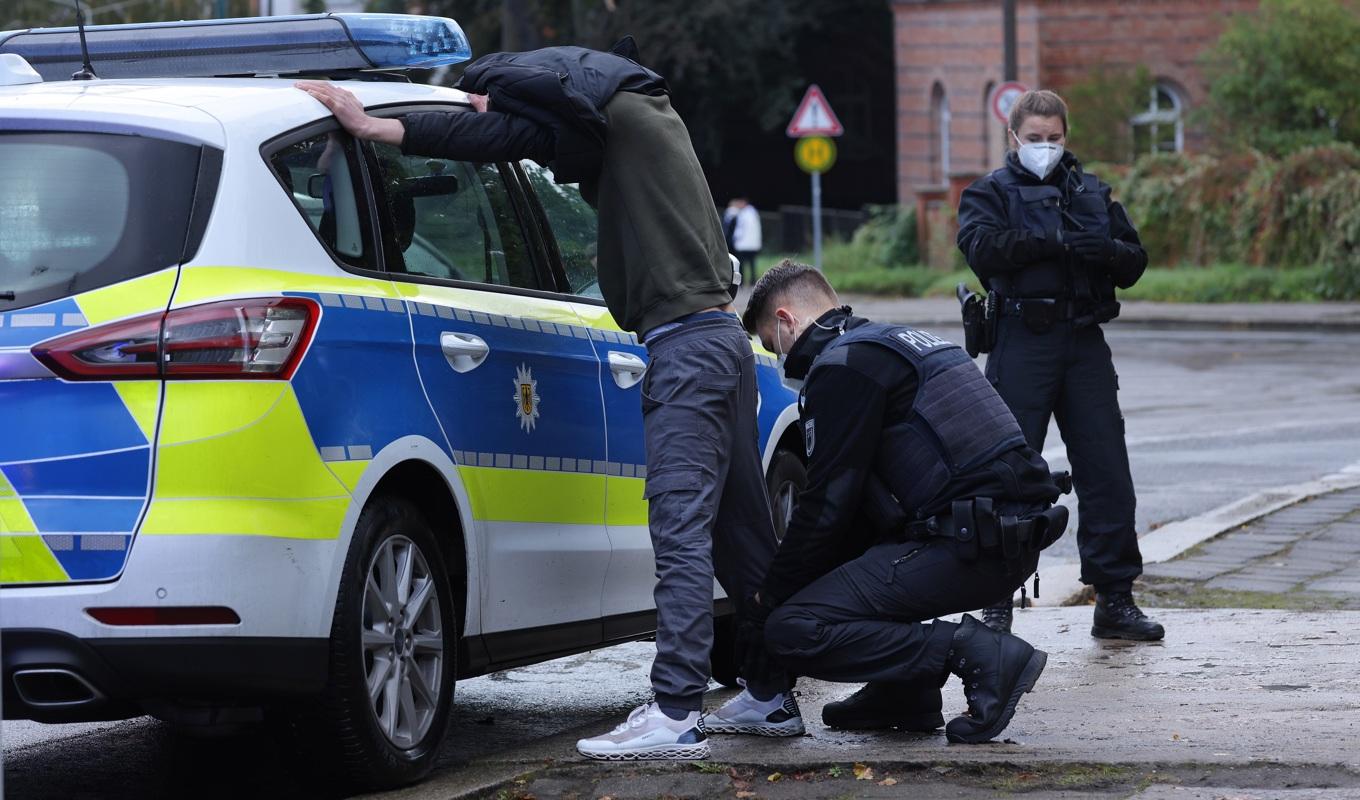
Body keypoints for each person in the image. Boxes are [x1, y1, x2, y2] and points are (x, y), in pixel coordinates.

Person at [296, 40, 798, 761]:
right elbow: (528, 131)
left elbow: (495, 138)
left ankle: (677, 710)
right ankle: (773, 692)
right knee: (742, 536)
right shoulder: (650, 115)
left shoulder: (611, 119)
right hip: (720, 344)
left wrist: (379, 127)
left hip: (685, 353)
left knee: (682, 530)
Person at [733, 261, 1068, 742]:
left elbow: (826, 505)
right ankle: (905, 692)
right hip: (998, 535)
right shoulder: (894, 342)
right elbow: (863, 507)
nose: (781, 359)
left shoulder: (842, 367)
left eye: (772, 343)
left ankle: (978, 654)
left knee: (793, 627)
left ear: (786, 322)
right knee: (852, 572)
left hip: (970, 545)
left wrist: (767, 603)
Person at [956, 90, 1163, 641]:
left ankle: (1115, 598)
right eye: (1034, 138)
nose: (1044, 148)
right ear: (1012, 138)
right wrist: (1050, 240)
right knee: (1006, 473)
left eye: (1054, 138)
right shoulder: (989, 193)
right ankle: (993, 597)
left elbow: (1135, 261)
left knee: (1106, 471)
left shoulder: (1092, 193)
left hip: (1083, 340)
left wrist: (1104, 251)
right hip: (1022, 339)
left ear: (1066, 137)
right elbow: (981, 250)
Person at [722, 196, 762, 285]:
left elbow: (740, 230)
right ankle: (752, 281)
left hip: (743, 245)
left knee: (742, 265)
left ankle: (742, 282)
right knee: (752, 264)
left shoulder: (743, 214)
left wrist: (735, 239)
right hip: (753, 244)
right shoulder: (754, 213)